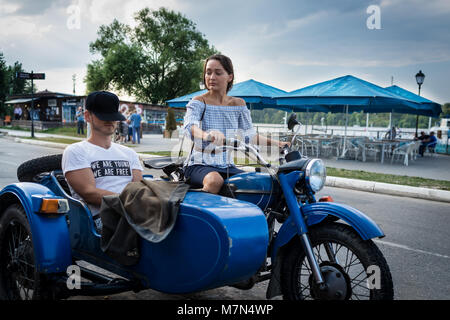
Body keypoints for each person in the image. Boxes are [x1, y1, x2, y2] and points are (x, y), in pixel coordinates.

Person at [183, 54, 289, 194]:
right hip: (199, 164)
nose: (211, 77)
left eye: (218, 73)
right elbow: (190, 126)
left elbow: (249, 136)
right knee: (214, 181)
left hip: (226, 165)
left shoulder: (239, 104)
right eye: (208, 72)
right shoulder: (199, 101)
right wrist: (206, 135)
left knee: (256, 183)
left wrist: (278, 143)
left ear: (230, 77)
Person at [62, 91, 143, 229]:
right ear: (87, 116)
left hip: (132, 215)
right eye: (104, 116)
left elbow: (138, 189)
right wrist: (131, 202)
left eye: (113, 116)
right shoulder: (76, 151)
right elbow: (89, 193)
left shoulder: (129, 153)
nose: (110, 121)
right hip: (100, 220)